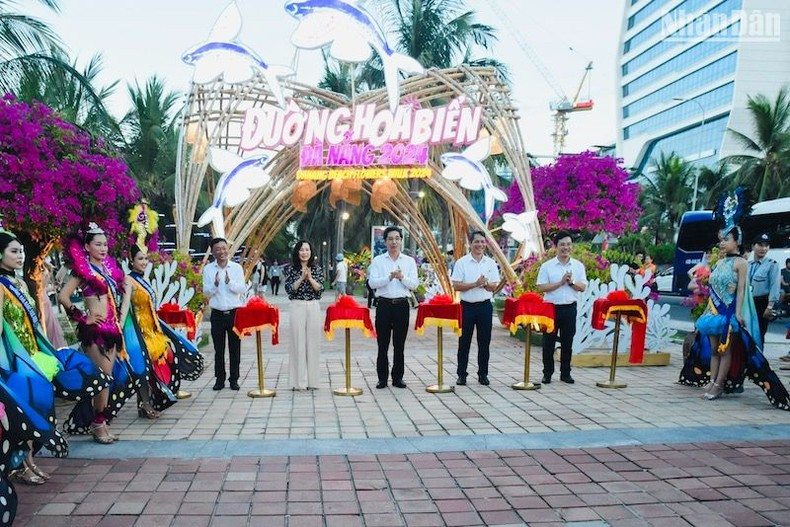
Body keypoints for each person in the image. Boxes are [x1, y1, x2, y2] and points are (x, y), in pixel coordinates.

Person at [0, 230, 101, 482]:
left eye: (21, 251)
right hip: (15, 358)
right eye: (14, 251)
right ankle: (21, 465)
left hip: (33, 354)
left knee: (36, 406)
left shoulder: (19, 283)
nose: (20, 256)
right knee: (25, 409)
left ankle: (29, 461)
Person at [679, 188, 788, 409]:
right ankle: (712, 381)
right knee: (713, 350)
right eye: (721, 239)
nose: (722, 243)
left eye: (726, 239)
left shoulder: (741, 263)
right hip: (713, 313)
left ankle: (719, 384)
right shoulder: (719, 262)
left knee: (725, 350)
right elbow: (710, 284)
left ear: (737, 242)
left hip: (728, 314)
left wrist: (738, 313)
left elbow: (741, 290)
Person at [59, 223, 147, 443]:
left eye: (105, 245)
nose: (103, 248)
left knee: (109, 378)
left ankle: (99, 422)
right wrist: (82, 317)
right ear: (87, 247)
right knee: (104, 379)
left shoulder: (107, 271)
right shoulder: (83, 271)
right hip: (96, 331)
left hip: (112, 330)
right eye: (98, 244)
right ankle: (98, 424)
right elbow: (63, 296)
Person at [121, 245, 205, 416]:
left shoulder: (143, 279)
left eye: (145, 258)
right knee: (144, 367)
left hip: (153, 329)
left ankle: (149, 401)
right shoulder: (128, 280)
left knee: (160, 363)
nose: (144, 262)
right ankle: (145, 404)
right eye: (140, 259)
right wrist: (119, 327)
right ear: (132, 261)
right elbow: (125, 306)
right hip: (139, 331)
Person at [368, 226, 418, 389]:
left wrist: (402, 277)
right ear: (385, 242)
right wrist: (389, 277)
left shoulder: (409, 261)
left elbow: (414, 284)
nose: (394, 242)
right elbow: (372, 283)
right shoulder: (378, 261)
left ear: (401, 241)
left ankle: (398, 378)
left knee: (399, 344)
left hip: (401, 305)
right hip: (384, 305)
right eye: (390, 239)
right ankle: (382, 378)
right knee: (382, 344)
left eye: (397, 238)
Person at [536, 231, 587, 384]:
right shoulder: (547, 266)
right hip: (551, 309)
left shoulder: (578, 266)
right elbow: (542, 287)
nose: (566, 248)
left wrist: (571, 282)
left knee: (567, 342)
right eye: (562, 245)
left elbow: (582, 287)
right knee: (548, 343)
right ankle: (547, 373)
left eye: (568, 244)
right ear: (556, 247)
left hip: (569, 308)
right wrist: (560, 282)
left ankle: (565, 373)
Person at [451, 231, 500, 386]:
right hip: (467, 307)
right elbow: (456, 285)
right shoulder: (462, 263)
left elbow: (494, 286)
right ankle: (461, 374)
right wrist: (474, 284)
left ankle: (483, 374)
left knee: (484, 342)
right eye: (476, 242)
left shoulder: (490, 263)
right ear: (470, 244)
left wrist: (485, 284)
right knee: (464, 342)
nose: (480, 245)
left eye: (482, 242)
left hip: (485, 306)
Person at [202, 237, 245, 391]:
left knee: (235, 348)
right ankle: (219, 379)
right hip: (217, 314)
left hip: (234, 313)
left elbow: (242, 288)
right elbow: (206, 292)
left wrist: (229, 283)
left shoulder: (236, 268)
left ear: (228, 249)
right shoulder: (208, 269)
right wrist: (215, 285)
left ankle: (234, 379)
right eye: (218, 249)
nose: (222, 252)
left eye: (224, 248)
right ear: (213, 252)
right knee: (218, 349)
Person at [284, 240, 324, 390]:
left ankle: (313, 381)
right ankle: (298, 382)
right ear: (297, 252)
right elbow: (290, 289)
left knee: (313, 343)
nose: (304, 253)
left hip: (313, 305)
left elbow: (320, 289)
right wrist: (301, 278)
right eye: (301, 250)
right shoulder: (291, 269)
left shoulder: (317, 269)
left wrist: (310, 278)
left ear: (311, 252)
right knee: (297, 342)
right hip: (297, 305)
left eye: (307, 250)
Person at [749, 233, 780, 345]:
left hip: (762, 303)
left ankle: (758, 355)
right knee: (747, 333)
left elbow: (774, 286)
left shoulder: (772, 264)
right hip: (748, 302)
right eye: (760, 245)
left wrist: (770, 306)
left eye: (766, 245)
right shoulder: (748, 265)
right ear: (753, 246)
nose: (763, 248)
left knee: (759, 333)